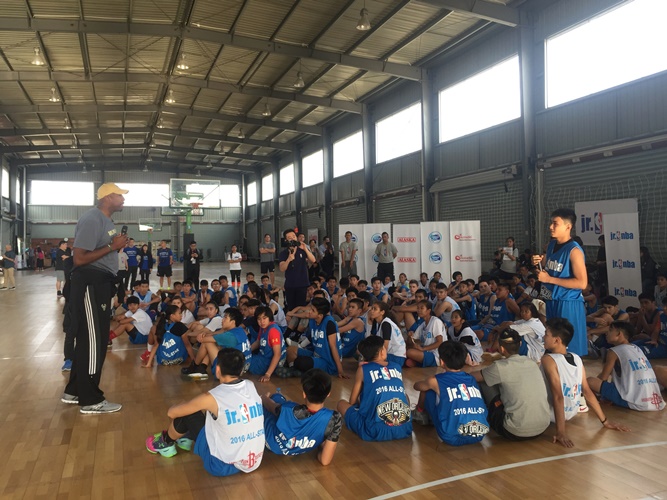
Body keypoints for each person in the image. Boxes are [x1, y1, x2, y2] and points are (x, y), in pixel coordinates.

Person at [60, 182, 129, 414]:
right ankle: (90, 399)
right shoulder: (92, 218)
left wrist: (114, 247)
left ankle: (74, 390)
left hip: (99, 283)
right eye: (119, 195)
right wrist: (112, 246)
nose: (123, 199)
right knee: (94, 341)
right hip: (90, 282)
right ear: (107, 197)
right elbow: (79, 258)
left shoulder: (106, 221)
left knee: (89, 340)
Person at [145, 348, 265, 476]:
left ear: (217, 370)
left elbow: (171, 413)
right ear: (241, 371)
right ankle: (186, 439)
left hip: (220, 465)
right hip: (253, 461)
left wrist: (181, 404)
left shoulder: (213, 397)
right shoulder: (250, 385)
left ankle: (165, 442)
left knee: (188, 412)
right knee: (213, 415)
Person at [541, 318, 629, 448]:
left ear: (557, 340)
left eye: (546, 334)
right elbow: (587, 392)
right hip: (571, 413)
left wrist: (561, 432)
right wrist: (605, 421)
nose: (543, 337)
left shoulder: (548, 359)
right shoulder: (577, 358)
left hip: (551, 414)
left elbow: (558, 396)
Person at [472, 328, 551, 440]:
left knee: (485, 382)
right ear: (520, 344)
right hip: (542, 427)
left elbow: (473, 377)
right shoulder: (532, 363)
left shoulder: (499, 367)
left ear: (501, 349)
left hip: (514, 430)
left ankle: (477, 417)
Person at [411, 341, 490, 446]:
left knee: (429, 391)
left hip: (451, 437)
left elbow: (417, 386)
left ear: (442, 362)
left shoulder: (436, 380)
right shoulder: (471, 378)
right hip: (479, 434)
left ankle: (420, 414)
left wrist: (427, 382)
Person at [534, 208, 588, 357]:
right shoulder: (551, 245)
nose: (550, 227)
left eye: (555, 224)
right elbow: (550, 266)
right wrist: (538, 261)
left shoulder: (574, 251)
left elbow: (582, 283)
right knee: (554, 345)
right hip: (552, 299)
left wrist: (549, 279)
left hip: (568, 302)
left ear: (568, 226)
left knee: (569, 350)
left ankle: (574, 371)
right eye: (551, 223)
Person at [337, 336, 412, 442]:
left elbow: (352, 401)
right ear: (381, 352)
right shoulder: (397, 367)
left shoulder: (363, 369)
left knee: (341, 404)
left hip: (375, 430)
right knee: (405, 396)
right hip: (404, 428)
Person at [262, 369, 341, 465]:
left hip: (271, 442)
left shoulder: (290, 409)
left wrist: (263, 398)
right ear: (328, 394)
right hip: (294, 446)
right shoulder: (334, 418)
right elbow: (325, 461)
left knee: (276, 398)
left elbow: (270, 406)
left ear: (304, 394)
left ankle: (276, 396)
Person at [587, 321, 665, 411]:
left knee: (589, 381)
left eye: (610, 330)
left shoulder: (613, 351)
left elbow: (603, 378)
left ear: (619, 334)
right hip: (655, 401)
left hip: (633, 401)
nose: (606, 333)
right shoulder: (637, 348)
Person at [285, 297, 346, 378]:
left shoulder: (329, 323)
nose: (309, 311)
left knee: (301, 362)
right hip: (316, 354)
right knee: (290, 349)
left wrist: (340, 369)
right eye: (310, 308)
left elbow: (333, 346)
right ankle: (293, 370)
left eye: (313, 310)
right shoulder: (313, 319)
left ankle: (295, 369)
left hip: (327, 361)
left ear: (320, 315)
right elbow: (305, 315)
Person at [278, 229, 316, 311]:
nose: (292, 238)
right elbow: (282, 268)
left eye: (294, 236)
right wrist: (289, 259)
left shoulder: (302, 250)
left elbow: (313, 260)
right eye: (289, 237)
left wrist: (305, 249)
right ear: (286, 240)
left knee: (301, 307)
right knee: (291, 307)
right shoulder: (284, 253)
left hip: (302, 284)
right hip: (290, 285)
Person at [248, 306, 286, 383]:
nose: (262, 321)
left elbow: (277, 354)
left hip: (269, 361)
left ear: (269, 318)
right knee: (245, 357)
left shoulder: (273, 331)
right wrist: (246, 351)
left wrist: (267, 375)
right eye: (259, 319)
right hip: (263, 357)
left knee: (244, 362)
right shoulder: (263, 327)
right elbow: (258, 342)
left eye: (264, 318)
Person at [405, 300, 446, 368]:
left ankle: (418, 363)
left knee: (409, 352)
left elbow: (440, 342)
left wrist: (423, 349)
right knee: (406, 353)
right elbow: (412, 341)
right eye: (418, 308)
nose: (419, 310)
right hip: (426, 352)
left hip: (436, 355)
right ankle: (418, 363)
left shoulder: (435, 321)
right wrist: (410, 336)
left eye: (422, 308)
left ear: (428, 310)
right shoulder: (422, 325)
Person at [365, 301, 406, 367]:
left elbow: (385, 344)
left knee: (368, 362)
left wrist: (377, 358)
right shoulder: (376, 321)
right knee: (361, 353)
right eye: (371, 308)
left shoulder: (386, 324)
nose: (371, 311)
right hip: (388, 354)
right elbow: (371, 339)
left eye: (375, 309)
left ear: (382, 312)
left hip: (395, 357)